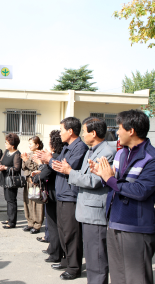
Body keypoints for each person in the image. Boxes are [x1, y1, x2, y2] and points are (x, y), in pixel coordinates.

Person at [91, 109, 155, 284]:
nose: (117, 132)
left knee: (136, 278)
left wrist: (109, 178)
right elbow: (114, 181)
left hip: (137, 227)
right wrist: (102, 174)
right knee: (118, 277)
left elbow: (140, 191)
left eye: (119, 128)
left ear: (131, 130)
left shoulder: (153, 159)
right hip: (115, 220)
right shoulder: (121, 153)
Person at [52, 117, 115, 284]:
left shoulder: (106, 153)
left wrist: (69, 171)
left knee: (97, 257)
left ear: (93, 133)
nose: (83, 135)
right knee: (92, 255)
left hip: (94, 211)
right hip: (85, 209)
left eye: (85, 132)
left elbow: (94, 181)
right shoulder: (91, 150)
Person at [36, 117, 88, 280]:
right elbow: (57, 163)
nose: (61, 133)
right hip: (61, 194)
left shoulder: (79, 147)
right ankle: (66, 260)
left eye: (62, 130)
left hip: (70, 196)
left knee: (71, 233)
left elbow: (63, 167)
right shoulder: (67, 147)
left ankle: (74, 267)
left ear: (70, 131)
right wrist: (49, 158)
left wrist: (49, 160)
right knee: (63, 231)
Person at [33, 130, 64, 263]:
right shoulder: (58, 156)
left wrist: (40, 165)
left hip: (53, 195)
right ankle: (52, 249)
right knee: (53, 224)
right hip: (54, 194)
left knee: (53, 225)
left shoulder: (55, 157)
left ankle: (55, 253)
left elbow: (44, 175)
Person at [21, 136, 45, 234]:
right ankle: (30, 222)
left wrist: (27, 161)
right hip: (28, 181)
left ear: (37, 145)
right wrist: (25, 160)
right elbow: (24, 168)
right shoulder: (29, 154)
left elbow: (38, 167)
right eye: (29, 143)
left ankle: (37, 224)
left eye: (31, 144)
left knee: (37, 202)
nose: (29, 145)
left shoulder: (41, 154)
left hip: (36, 182)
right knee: (28, 201)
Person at [0, 133, 21, 229]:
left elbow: (17, 168)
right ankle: (9, 218)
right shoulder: (6, 152)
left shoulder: (17, 154)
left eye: (7, 143)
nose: (5, 144)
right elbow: (0, 161)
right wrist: (1, 166)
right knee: (8, 199)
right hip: (5, 178)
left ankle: (12, 222)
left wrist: (5, 168)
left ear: (13, 145)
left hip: (11, 180)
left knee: (11, 200)